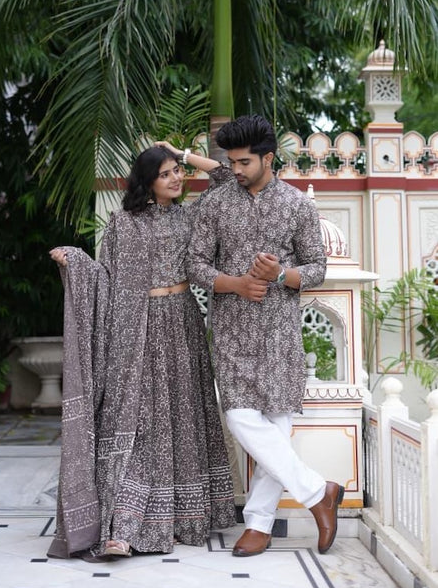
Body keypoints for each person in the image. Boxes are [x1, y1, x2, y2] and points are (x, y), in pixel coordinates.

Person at [47, 143, 236, 561]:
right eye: (166, 172)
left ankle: (184, 517)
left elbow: (225, 175)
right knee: (136, 423)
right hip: (137, 330)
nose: (176, 178)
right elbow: (105, 278)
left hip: (183, 324)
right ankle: (122, 528)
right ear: (147, 180)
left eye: (177, 172)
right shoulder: (123, 224)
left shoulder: (191, 216)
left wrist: (184, 154)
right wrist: (75, 263)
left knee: (182, 415)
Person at [186, 114, 344, 557]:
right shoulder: (216, 204)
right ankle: (319, 492)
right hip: (233, 330)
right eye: (230, 162)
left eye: (242, 162)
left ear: (267, 158)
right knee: (240, 417)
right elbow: (196, 264)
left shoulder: (298, 206)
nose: (234, 170)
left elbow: (317, 268)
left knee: (276, 424)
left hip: (279, 332)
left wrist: (280, 274)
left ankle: (256, 524)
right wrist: (235, 283)